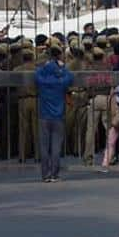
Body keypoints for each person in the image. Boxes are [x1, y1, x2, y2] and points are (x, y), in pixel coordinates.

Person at [35, 46, 74, 183]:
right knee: (56, 147)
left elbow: (37, 73)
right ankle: (55, 174)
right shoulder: (60, 81)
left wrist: (45, 67)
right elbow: (70, 76)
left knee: (44, 147)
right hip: (58, 116)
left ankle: (45, 174)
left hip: (43, 116)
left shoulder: (42, 80)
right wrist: (62, 68)